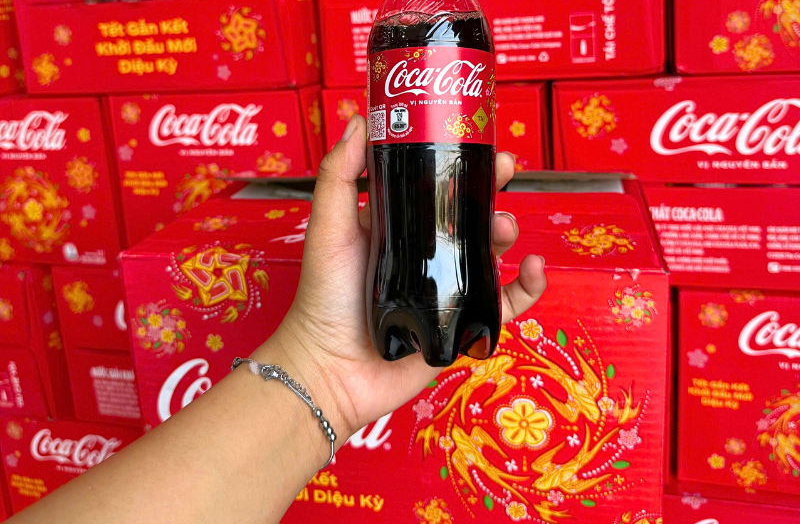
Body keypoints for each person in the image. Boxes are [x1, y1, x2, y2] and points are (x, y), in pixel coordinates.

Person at [11, 116, 546, 523]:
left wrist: (319, 367)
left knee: (466, 186)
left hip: (401, 288)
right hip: (382, 292)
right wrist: (319, 364)